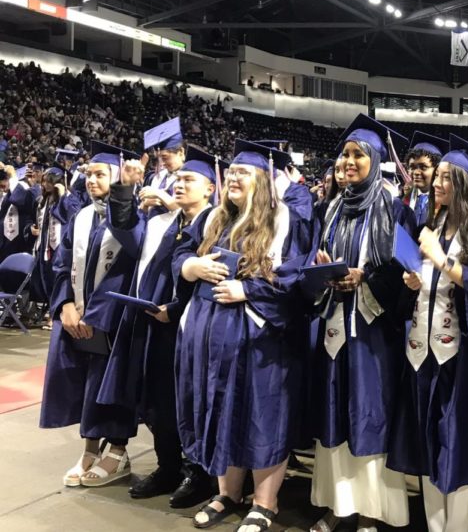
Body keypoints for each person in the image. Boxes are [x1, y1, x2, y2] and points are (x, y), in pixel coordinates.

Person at [175, 139, 314, 532]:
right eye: (230, 172)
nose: (233, 177)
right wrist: (192, 267)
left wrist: (248, 290)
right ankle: (227, 493)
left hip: (261, 340)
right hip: (209, 337)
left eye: (243, 173)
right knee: (222, 409)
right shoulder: (212, 219)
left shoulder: (286, 220)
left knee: (261, 414)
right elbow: (179, 255)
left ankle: (265, 502)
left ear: (264, 181)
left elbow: (296, 278)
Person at [389, 135, 468, 532]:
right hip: (421, 350)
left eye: (445, 177)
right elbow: (429, 280)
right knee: (426, 444)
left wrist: (442, 262)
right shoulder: (433, 224)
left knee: (458, 445)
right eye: (436, 176)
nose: (437, 183)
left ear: (465, 183)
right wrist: (414, 280)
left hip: (461, 355)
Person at [309, 115, 414, 532]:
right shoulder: (331, 207)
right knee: (335, 414)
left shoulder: (395, 208)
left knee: (370, 415)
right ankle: (340, 506)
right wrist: (321, 269)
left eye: (358, 155)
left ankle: (371, 512)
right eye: (345, 155)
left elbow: (406, 270)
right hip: (335, 323)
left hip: (374, 331)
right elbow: (317, 256)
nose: (349, 162)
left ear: (375, 160)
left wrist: (365, 276)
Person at [101, 146, 222, 508]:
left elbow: (214, 277)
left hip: (194, 325)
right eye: (177, 180)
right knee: (157, 401)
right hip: (155, 323)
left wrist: (178, 307)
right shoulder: (163, 223)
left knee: (192, 400)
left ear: (211, 188)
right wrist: (123, 189)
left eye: (189, 180)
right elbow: (126, 231)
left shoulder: (219, 226)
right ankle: (168, 466)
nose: (180, 185)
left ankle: (198, 473)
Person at [39, 141, 143, 488]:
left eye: (101, 174)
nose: (92, 180)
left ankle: (117, 449)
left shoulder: (134, 215)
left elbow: (128, 269)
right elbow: (61, 265)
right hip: (77, 315)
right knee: (85, 381)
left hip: (112, 319)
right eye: (89, 174)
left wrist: (96, 314)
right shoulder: (81, 216)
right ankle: (89, 447)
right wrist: (65, 304)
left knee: (110, 384)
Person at [30, 167, 66, 313]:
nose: (46, 184)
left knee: (57, 279)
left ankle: (56, 313)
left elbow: (67, 216)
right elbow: (36, 221)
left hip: (59, 245)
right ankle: (51, 311)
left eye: (50, 181)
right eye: (44, 181)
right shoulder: (42, 200)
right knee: (45, 279)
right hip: (44, 245)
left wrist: (63, 196)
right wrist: (31, 228)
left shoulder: (70, 198)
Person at [141, 118, 187, 217]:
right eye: (159, 158)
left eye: (165, 157)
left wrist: (158, 193)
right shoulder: (157, 177)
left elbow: (184, 208)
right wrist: (145, 204)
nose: (162, 163)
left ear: (181, 152)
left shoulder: (191, 178)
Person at [405, 132, 449, 227]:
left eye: (423, 167)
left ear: (437, 170)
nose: (416, 172)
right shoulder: (401, 201)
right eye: (412, 167)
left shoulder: (447, 206)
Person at [0, 163, 36, 263]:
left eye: (5, 180)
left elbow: (18, 199)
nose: (2, 187)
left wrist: (12, 175)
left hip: (18, 244)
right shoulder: (4, 195)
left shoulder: (23, 188)